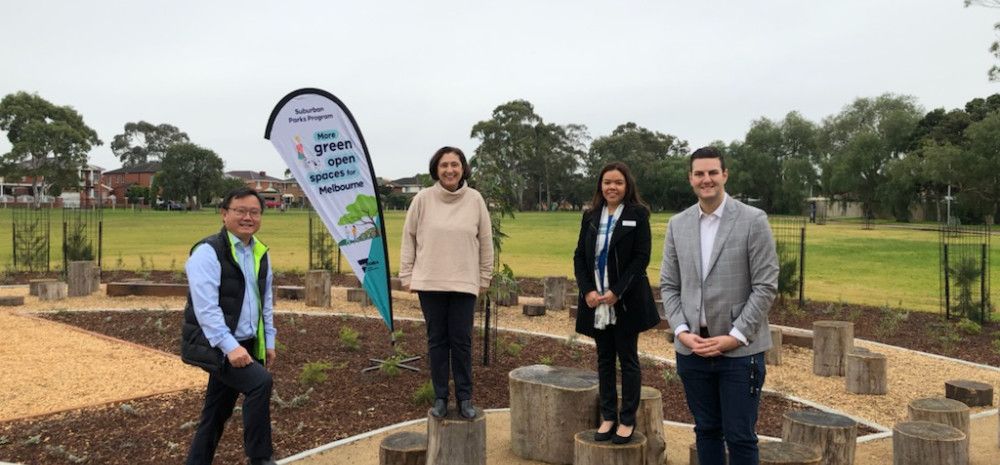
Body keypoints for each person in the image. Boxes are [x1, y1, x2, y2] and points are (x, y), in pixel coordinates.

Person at [660, 146, 778, 465]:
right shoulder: (678, 224)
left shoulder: (753, 220)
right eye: (699, 173)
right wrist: (682, 332)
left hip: (739, 353)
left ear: (725, 175)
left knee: (740, 437)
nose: (706, 179)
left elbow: (766, 286)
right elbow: (669, 285)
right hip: (693, 350)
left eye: (713, 172)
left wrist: (736, 336)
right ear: (690, 179)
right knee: (707, 431)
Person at [181, 187, 277, 465]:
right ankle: (260, 459)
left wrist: (268, 340)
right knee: (260, 383)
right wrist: (230, 348)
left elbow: (265, 300)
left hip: (246, 342)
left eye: (254, 212)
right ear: (224, 215)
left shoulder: (260, 252)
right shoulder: (207, 253)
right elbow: (206, 309)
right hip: (216, 344)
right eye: (240, 211)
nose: (248, 217)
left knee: (216, 412)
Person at [399, 146, 493, 419]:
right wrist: (407, 274)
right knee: (437, 341)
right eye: (444, 165)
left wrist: (484, 276)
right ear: (436, 169)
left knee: (462, 341)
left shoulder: (475, 200)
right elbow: (409, 238)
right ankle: (440, 397)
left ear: (463, 168)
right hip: (430, 282)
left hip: (464, 282)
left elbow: (485, 243)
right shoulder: (422, 199)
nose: (450, 170)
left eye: (455, 164)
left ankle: (465, 397)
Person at [573, 161, 661, 444]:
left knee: (628, 360)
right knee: (604, 359)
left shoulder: (637, 215)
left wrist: (617, 291)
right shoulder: (590, 216)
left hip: (624, 302)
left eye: (618, 183)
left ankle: (627, 420)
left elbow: (641, 258)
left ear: (627, 186)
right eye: (608, 182)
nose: (612, 187)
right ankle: (608, 416)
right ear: (601, 185)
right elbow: (579, 257)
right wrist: (587, 290)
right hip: (596, 301)